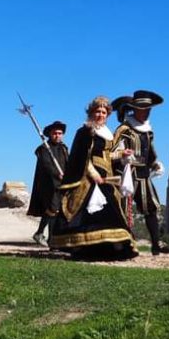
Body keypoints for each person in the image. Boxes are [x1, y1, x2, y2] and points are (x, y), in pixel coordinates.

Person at [48, 96, 138, 260]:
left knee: (112, 209)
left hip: (108, 176)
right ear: (91, 112)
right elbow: (81, 156)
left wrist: (122, 154)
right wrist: (93, 173)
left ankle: (112, 246)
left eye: (104, 112)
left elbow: (107, 154)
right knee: (92, 213)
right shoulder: (85, 131)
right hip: (88, 179)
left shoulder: (107, 134)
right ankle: (86, 247)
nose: (101, 115)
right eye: (98, 111)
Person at [112, 90, 169, 256]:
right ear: (134, 109)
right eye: (143, 108)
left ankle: (155, 244)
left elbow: (149, 153)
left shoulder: (148, 131)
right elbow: (110, 152)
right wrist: (122, 156)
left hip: (144, 175)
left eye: (149, 109)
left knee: (151, 208)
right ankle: (124, 245)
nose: (146, 112)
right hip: (126, 175)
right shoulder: (123, 129)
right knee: (124, 209)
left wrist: (155, 164)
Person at [27, 121, 69, 246]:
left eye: (60, 133)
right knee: (52, 209)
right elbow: (46, 165)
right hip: (48, 185)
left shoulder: (64, 148)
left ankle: (52, 239)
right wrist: (57, 174)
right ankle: (40, 234)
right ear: (50, 134)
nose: (57, 135)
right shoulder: (44, 148)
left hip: (62, 184)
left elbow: (68, 163)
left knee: (58, 211)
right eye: (55, 133)